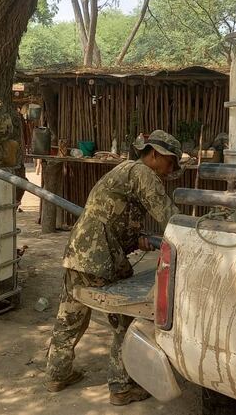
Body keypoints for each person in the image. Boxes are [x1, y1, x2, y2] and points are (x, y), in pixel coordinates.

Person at [44, 129, 181, 406]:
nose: (172, 170)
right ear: (155, 154)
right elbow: (169, 218)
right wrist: (198, 232)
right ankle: (121, 386)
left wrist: (136, 237)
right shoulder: (143, 173)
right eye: (171, 163)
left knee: (70, 316)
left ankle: (57, 374)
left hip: (79, 252)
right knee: (127, 319)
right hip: (102, 258)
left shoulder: (125, 171)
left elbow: (113, 216)